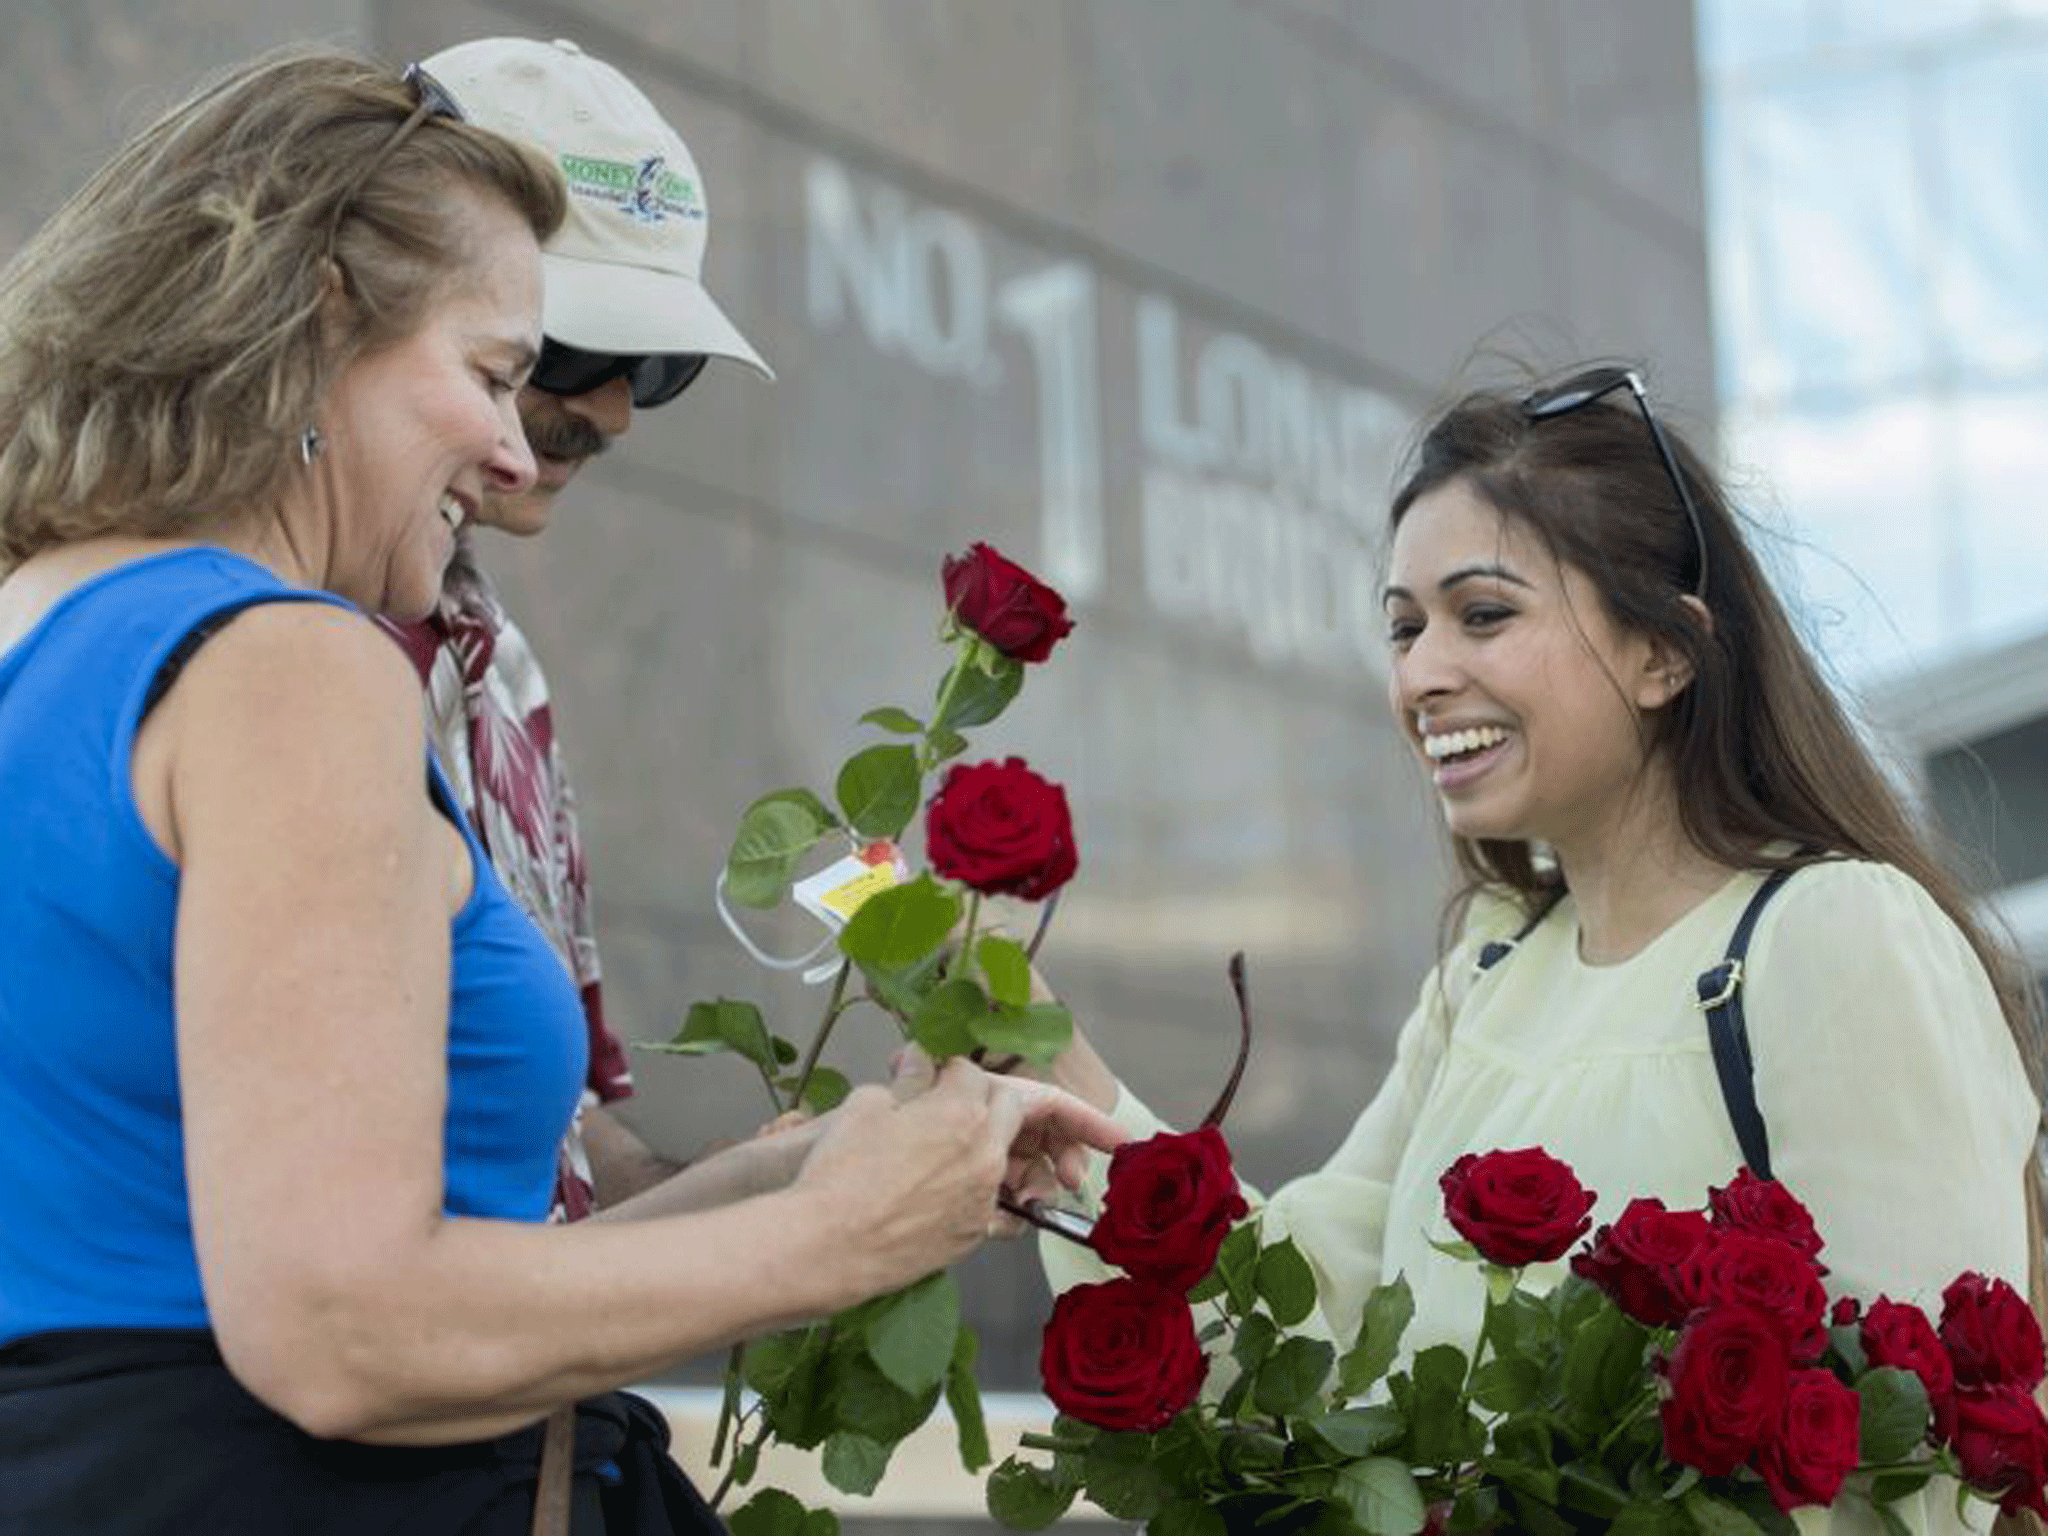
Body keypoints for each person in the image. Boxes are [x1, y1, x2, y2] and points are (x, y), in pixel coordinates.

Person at [0, 47, 1124, 1535]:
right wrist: (844, 1235)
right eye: (494, 371)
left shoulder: (48, 622)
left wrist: (803, 1177)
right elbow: (341, 1332)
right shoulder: (290, 664)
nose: (517, 443)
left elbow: (207, 1236)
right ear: (320, 313)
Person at [1037, 365, 2043, 1534]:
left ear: (1663, 655)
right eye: (1402, 627)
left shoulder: (1834, 931)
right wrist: (1044, 1065)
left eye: (1482, 614)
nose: (1418, 674)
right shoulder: (1487, 970)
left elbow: (1906, 1459)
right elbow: (1302, 1316)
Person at [378, 36, 775, 1220]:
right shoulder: (239, 636)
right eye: (573, 346)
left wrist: (797, 1190)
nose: (612, 410)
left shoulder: (504, 674)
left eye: (654, 367)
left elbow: (567, 1151)